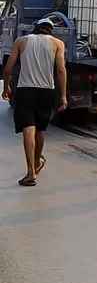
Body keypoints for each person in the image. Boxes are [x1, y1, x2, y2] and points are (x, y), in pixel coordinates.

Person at [2, 17, 68, 186]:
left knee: (27, 129)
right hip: (47, 92)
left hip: (25, 91)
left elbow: (8, 68)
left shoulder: (21, 41)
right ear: (50, 30)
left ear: (36, 28)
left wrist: (6, 87)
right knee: (40, 129)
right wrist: (63, 95)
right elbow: (61, 70)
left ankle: (31, 171)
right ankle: (37, 161)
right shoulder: (57, 44)